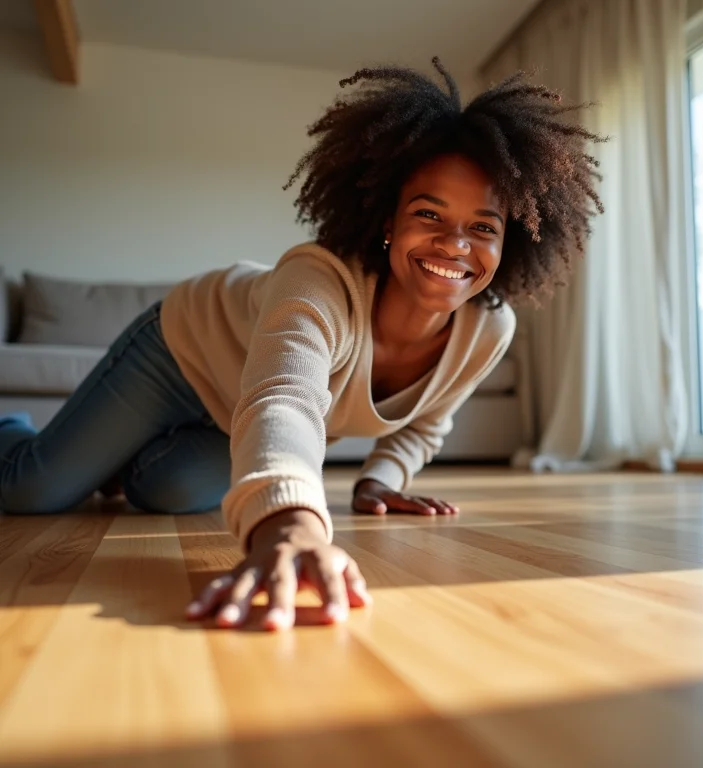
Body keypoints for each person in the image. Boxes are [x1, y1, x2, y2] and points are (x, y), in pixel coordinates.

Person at [0, 58, 604, 631]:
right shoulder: (320, 281)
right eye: (429, 214)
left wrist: (380, 480)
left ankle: (113, 457)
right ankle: (13, 429)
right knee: (32, 490)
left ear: (511, 243)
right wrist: (290, 522)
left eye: (483, 227)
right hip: (178, 355)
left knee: (167, 493)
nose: (455, 244)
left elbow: (425, 424)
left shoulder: (488, 329)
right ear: (388, 222)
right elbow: (284, 398)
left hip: (227, 417)